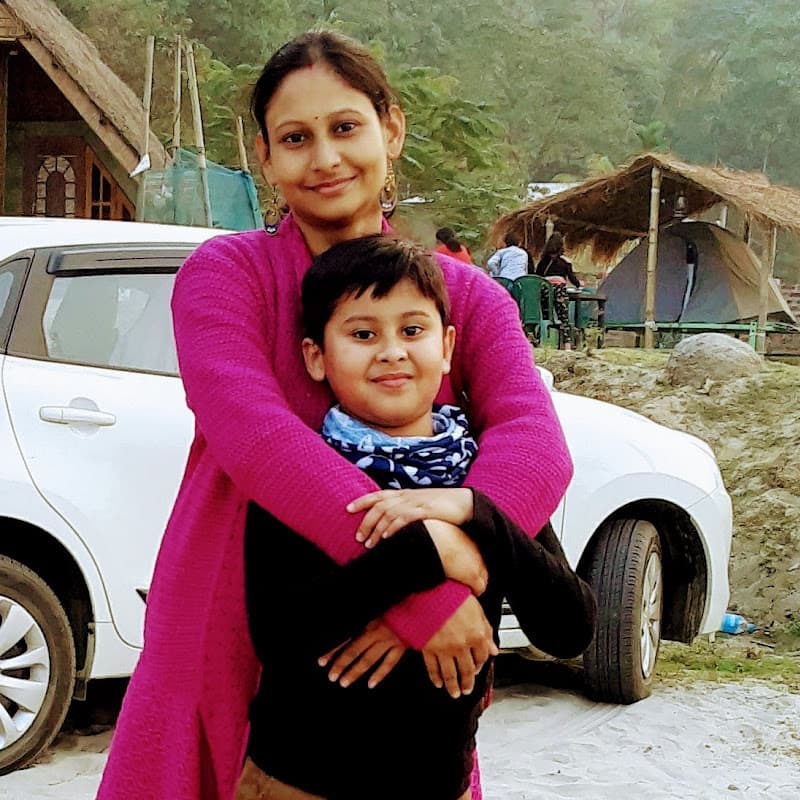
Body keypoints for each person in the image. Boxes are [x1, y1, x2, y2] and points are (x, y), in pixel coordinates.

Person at [97, 30, 573, 800]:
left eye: (345, 127)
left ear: (392, 129)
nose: (324, 158)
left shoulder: (464, 298)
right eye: (296, 138)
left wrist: (456, 546)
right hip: (235, 614)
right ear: (265, 157)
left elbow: (535, 446)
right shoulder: (228, 276)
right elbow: (260, 441)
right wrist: (426, 588)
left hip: (407, 696)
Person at [240, 235, 597, 800]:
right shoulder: (307, 474)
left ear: (447, 346)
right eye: (362, 334)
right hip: (296, 784)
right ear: (316, 356)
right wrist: (427, 553)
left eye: (412, 330)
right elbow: (281, 635)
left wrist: (476, 514)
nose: (391, 352)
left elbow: (570, 629)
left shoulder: (484, 479)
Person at [535, 232, 581, 350]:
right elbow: (572, 278)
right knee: (563, 318)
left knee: (545, 317)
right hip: (560, 290)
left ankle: (541, 342)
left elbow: (537, 276)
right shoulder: (565, 262)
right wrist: (579, 285)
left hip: (545, 290)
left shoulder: (543, 262)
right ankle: (567, 345)